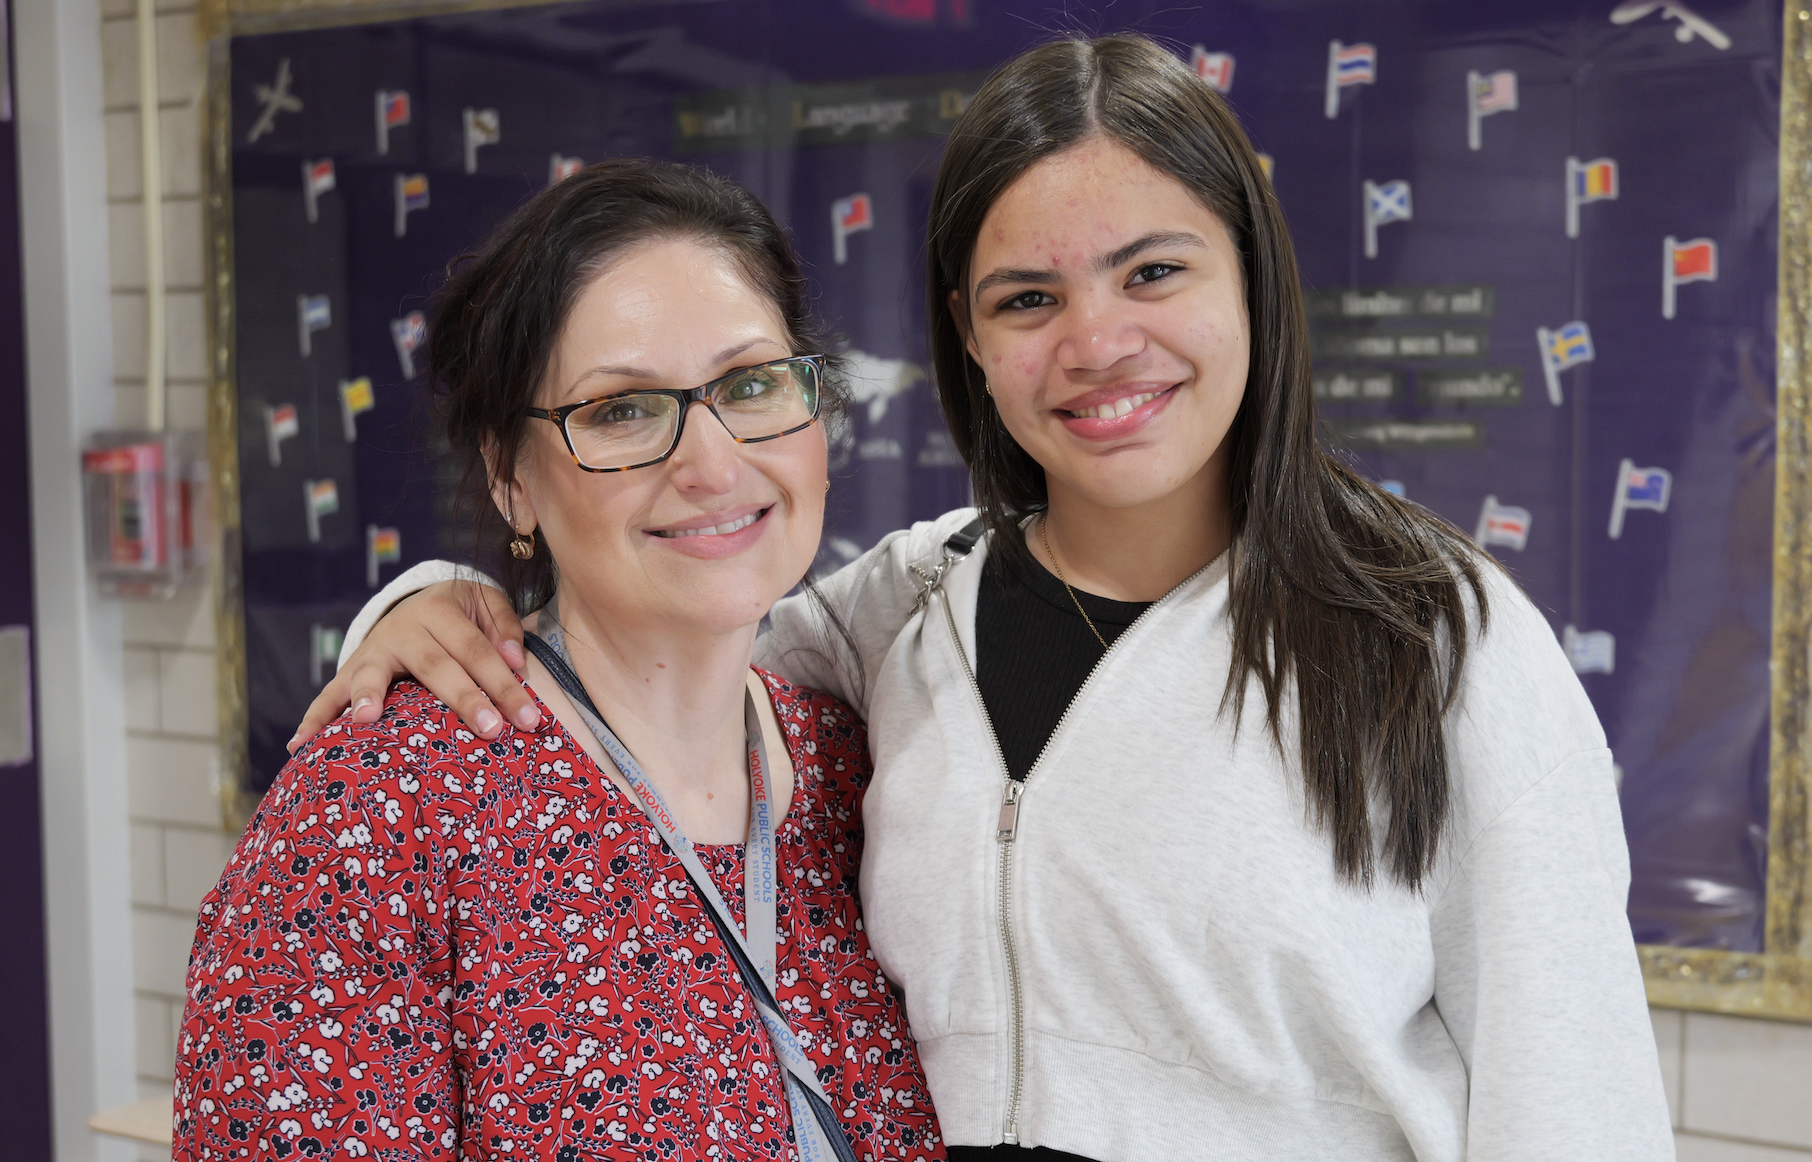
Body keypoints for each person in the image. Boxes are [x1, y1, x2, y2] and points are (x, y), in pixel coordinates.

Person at [299, 35, 1673, 1162]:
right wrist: (439, 600)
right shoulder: (906, 608)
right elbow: (658, 629)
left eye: (1153, 270)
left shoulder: (1442, 645)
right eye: (1027, 298)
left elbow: (1579, 1114)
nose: (1097, 343)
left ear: (1252, 274)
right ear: (966, 332)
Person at [175, 159, 944, 1162]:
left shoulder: (869, 769)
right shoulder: (375, 816)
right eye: (622, 409)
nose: (711, 462)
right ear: (511, 480)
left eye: (750, 385)